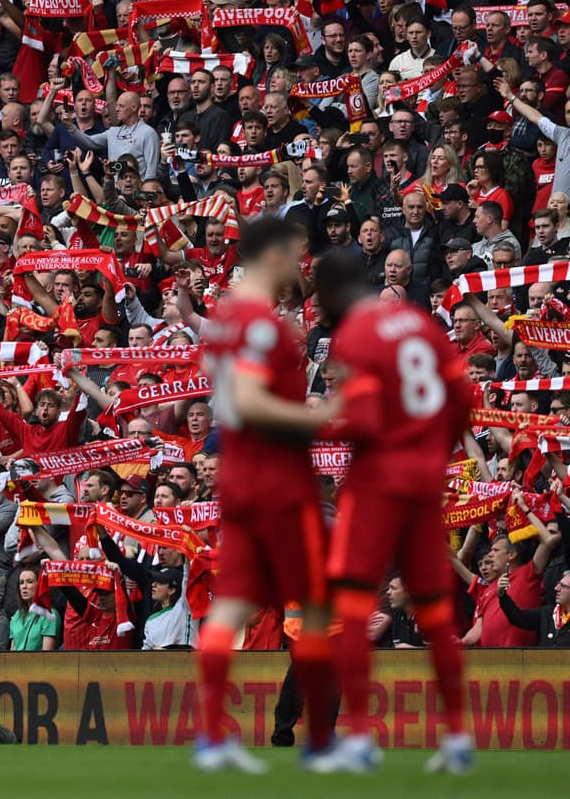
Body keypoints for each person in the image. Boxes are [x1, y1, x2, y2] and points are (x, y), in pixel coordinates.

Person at [307, 249, 474, 773]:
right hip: (424, 485)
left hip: (377, 487)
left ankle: (358, 739)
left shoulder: (357, 334)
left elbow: (362, 415)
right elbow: (463, 397)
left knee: (355, 606)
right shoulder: (423, 327)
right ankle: (457, 739)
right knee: (435, 611)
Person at [193, 217, 339, 773]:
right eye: (293, 252)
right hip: (267, 475)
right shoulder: (259, 325)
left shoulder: (234, 318)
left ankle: (213, 737)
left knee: (237, 601)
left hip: (245, 473)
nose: (298, 260)